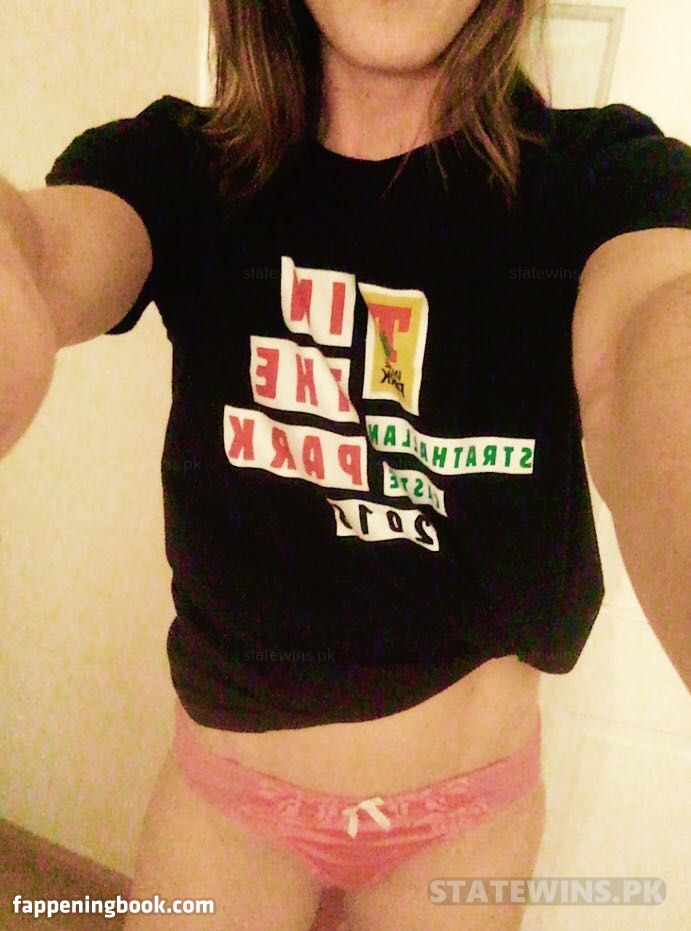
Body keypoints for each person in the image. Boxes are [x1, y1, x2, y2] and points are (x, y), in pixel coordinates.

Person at [1, 1, 689, 928]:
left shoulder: (602, 177)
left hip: (463, 822)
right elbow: (49, 251)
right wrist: (17, 269)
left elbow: (655, 337)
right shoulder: (179, 165)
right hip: (228, 807)